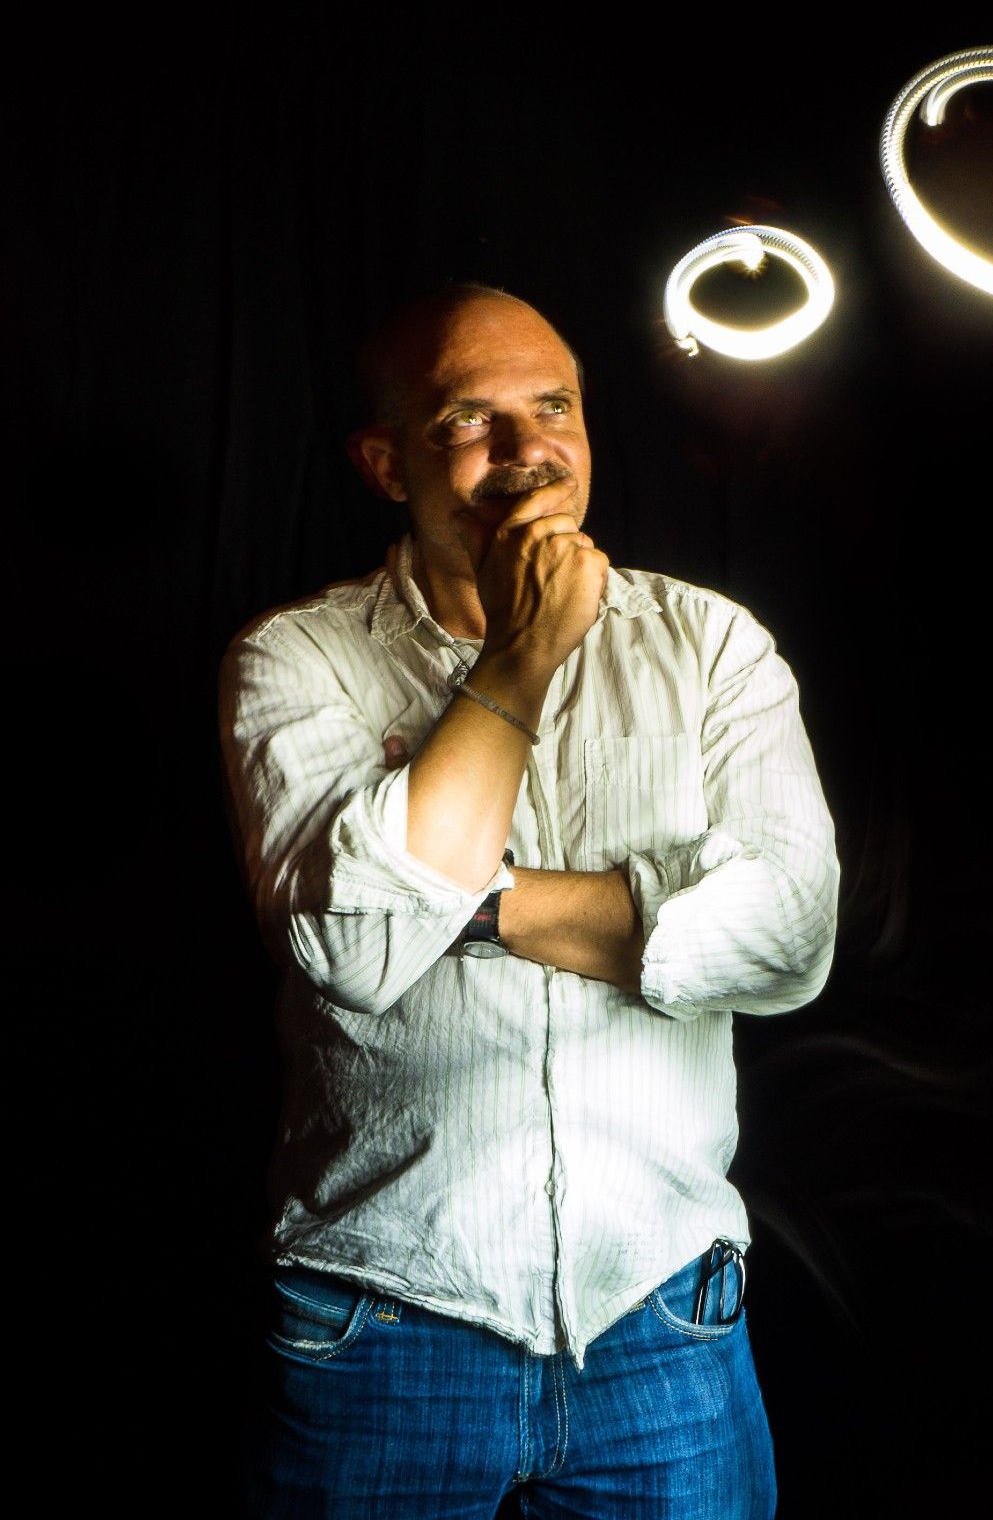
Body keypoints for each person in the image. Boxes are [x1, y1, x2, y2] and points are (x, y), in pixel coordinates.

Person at [220, 283, 840, 1518]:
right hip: (385, 1325)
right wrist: (520, 660)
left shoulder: (714, 647)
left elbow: (787, 938)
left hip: (665, 1319)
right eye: (470, 418)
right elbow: (353, 943)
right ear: (384, 463)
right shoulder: (295, 659)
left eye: (552, 407)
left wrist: (465, 898)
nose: (527, 450)